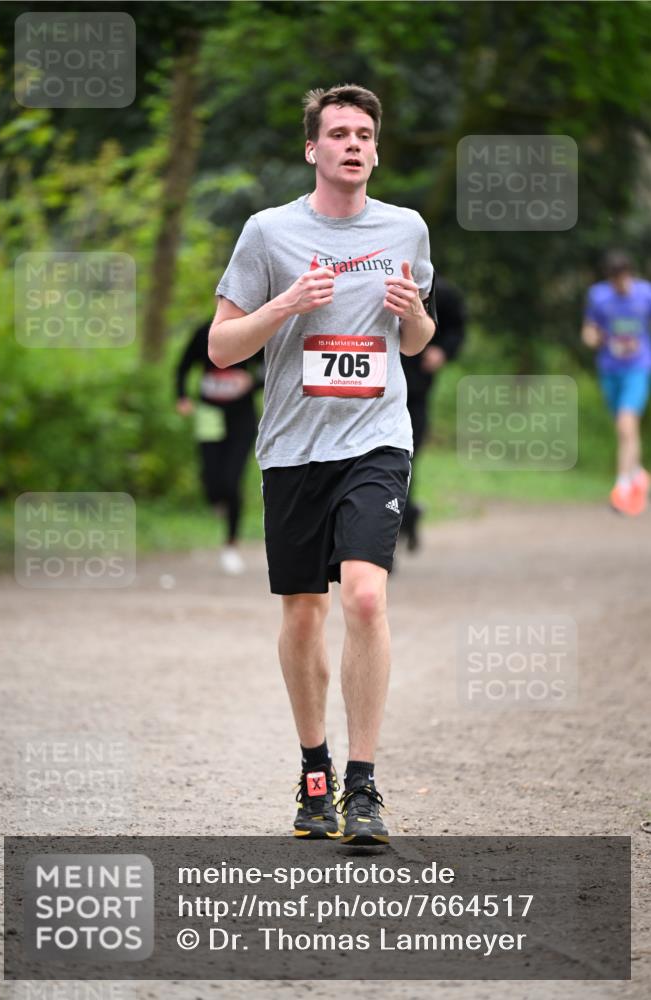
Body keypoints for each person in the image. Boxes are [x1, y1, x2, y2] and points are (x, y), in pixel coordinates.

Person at [209, 84, 437, 845]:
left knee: (366, 600)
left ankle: (363, 788)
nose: (351, 143)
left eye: (363, 133)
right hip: (293, 448)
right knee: (304, 611)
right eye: (337, 132)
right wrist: (285, 307)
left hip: (376, 440)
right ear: (312, 148)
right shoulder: (268, 233)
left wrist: (412, 316)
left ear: (375, 149)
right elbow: (221, 346)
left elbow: (413, 341)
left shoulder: (405, 228)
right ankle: (315, 773)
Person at [175, 320, 262, 574]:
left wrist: (251, 382)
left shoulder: (255, 328)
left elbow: (269, 369)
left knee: (232, 480)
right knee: (211, 478)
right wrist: (181, 396)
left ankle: (231, 545)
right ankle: (218, 500)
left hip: (242, 418)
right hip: (209, 414)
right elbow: (183, 366)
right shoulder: (204, 331)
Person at [582, 250, 651, 516]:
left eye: (622, 279)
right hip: (610, 369)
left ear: (629, 275)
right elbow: (590, 328)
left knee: (626, 423)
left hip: (638, 368)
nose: (618, 285)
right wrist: (592, 338)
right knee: (623, 430)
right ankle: (639, 474)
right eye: (614, 281)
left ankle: (622, 487)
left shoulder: (645, 294)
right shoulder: (599, 296)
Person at [400, 275, 466, 549]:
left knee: (404, 462)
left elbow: (457, 329)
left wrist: (442, 352)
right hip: (367, 395)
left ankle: (400, 525)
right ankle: (407, 516)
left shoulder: (439, 291)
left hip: (414, 393)